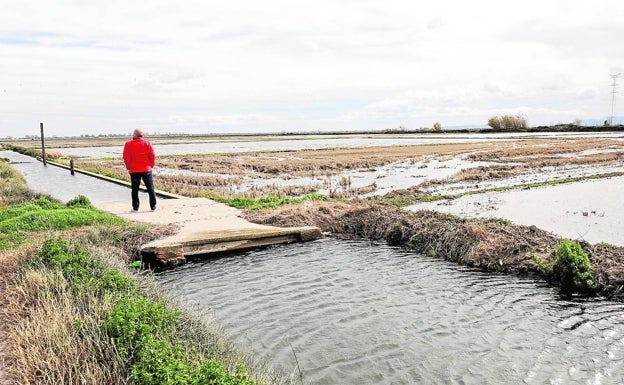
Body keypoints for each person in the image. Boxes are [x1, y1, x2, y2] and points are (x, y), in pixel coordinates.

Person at [123, 129, 157, 212]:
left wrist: (129, 167)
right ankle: (153, 206)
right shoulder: (147, 143)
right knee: (150, 188)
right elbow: (152, 156)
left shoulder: (128, 144)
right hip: (146, 169)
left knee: (135, 189)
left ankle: (135, 207)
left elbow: (126, 157)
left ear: (135, 135)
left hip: (134, 170)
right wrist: (151, 165)